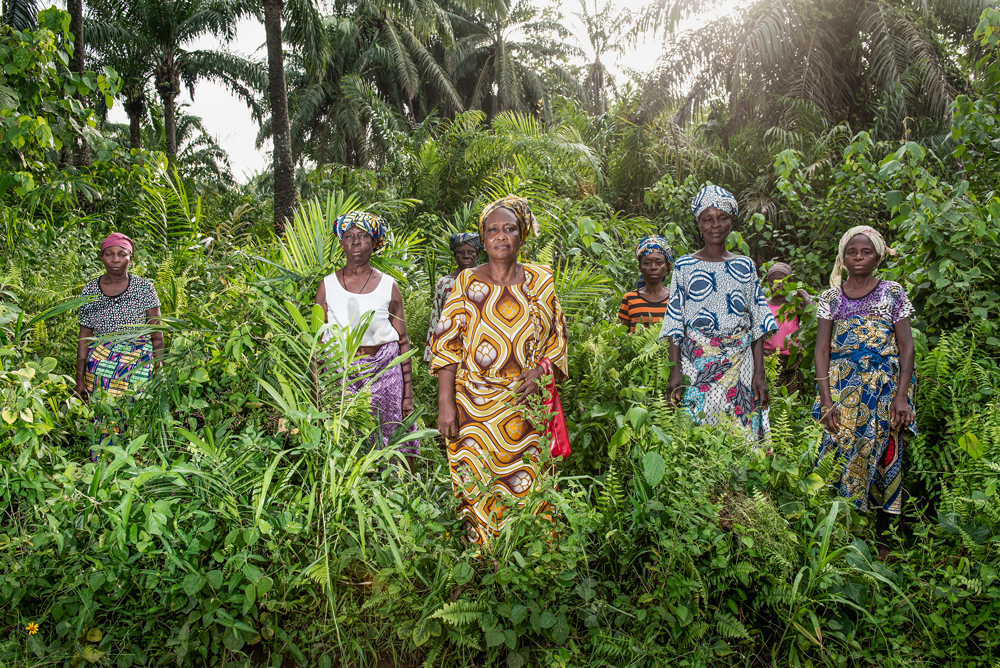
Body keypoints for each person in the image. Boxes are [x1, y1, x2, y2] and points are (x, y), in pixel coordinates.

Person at [430, 195, 569, 545]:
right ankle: (484, 555)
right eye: (493, 230)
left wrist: (540, 372)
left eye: (510, 229)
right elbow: (446, 345)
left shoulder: (541, 280)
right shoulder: (466, 283)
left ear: (522, 235)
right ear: (483, 238)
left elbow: (557, 340)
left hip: (527, 407)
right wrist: (445, 402)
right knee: (477, 483)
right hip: (473, 407)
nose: (501, 236)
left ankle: (530, 554)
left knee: (531, 484)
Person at [813, 226, 915, 559]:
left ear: (878, 257)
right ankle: (839, 532)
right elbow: (822, 350)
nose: (858, 257)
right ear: (842, 258)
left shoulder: (892, 293)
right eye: (852, 252)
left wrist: (901, 397)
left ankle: (884, 541)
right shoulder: (831, 298)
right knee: (836, 454)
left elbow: (906, 346)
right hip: (843, 391)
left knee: (887, 457)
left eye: (866, 251)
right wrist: (826, 400)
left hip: (885, 391)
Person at [660, 185, 777, 441]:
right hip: (697, 363)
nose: (715, 225)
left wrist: (759, 374)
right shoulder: (684, 266)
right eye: (708, 219)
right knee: (697, 433)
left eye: (722, 218)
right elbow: (674, 322)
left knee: (742, 435)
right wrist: (675, 371)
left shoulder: (745, 266)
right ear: (699, 225)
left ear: (732, 222)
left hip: (741, 363)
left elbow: (757, 322)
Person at [314, 211, 418, 461]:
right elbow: (317, 344)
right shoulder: (327, 286)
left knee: (393, 438)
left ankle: (398, 484)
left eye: (362, 236)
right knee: (347, 442)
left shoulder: (388, 285)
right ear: (341, 243)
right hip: (342, 375)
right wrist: (317, 393)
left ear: (374, 243)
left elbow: (403, 341)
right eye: (349, 236)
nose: (355, 242)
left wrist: (407, 396)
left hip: (385, 373)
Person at [75, 232, 164, 449]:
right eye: (109, 254)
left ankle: (134, 456)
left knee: (135, 413)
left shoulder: (144, 288)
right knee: (102, 413)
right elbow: (84, 336)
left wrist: (159, 366)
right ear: (102, 257)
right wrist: (79, 378)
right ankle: (103, 458)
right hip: (100, 361)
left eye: (122, 254)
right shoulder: (90, 289)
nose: (115, 259)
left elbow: (156, 331)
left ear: (131, 258)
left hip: (138, 361)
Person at [423, 233, 482, 362]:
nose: (466, 256)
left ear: (477, 254)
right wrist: (431, 353)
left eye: (471, 252)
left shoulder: (486, 282)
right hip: (450, 346)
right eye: (461, 252)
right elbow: (436, 316)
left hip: (479, 346)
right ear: (455, 255)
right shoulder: (445, 283)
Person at [763, 262, 811, 391]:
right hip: (768, 362)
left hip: (791, 363)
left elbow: (813, 314)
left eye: (781, 281)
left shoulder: (794, 305)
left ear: (790, 281)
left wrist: (803, 294)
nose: (777, 285)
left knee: (792, 399)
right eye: (773, 281)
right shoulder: (763, 305)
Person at [618, 236, 673, 333]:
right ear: (640, 267)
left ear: (667, 266)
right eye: (647, 263)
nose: (653, 267)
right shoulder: (629, 299)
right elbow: (620, 336)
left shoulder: (675, 298)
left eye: (659, 262)